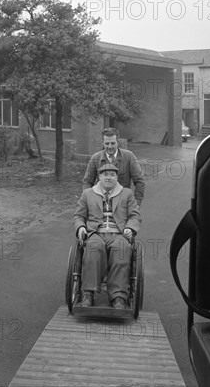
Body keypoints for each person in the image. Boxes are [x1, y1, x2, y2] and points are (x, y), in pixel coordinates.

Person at [74, 163, 142, 309]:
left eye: (112, 175)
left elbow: (135, 216)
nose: (109, 178)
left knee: (122, 249)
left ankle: (118, 296)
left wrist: (130, 228)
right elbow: (79, 216)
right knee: (93, 248)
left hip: (119, 233)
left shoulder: (127, 193)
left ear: (117, 177)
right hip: (95, 233)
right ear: (99, 176)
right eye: (105, 174)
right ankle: (88, 293)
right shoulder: (88, 193)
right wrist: (80, 227)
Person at [83, 128, 145, 207]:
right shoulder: (95, 158)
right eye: (107, 143)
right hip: (101, 205)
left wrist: (137, 203)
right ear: (102, 143)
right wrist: (89, 202)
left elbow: (139, 181)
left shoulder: (129, 156)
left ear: (117, 142)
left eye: (113, 143)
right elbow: (88, 181)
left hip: (123, 205)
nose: (110, 146)